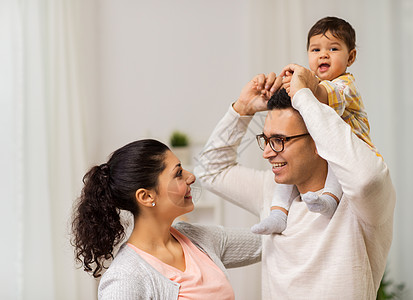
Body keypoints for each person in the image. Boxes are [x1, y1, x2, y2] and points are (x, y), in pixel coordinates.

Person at [194, 66, 395, 299]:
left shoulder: (360, 201)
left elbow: (366, 180)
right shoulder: (271, 190)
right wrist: (243, 109)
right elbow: (210, 170)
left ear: (319, 140)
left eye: (279, 140)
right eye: (266, 140)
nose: (267, 153)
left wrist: (303, 97)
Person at [71, 139, 261, 300]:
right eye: (178, 174)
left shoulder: (198, 238)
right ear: (146, 197)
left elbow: (268, 241)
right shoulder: (125, 278)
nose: (191, 177)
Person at [252, 16, 377, 235]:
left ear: (351, 56)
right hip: (325, 149)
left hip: (350, 152)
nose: (323, 55)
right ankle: (279, 214)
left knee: (336, 166)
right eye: (315, 50)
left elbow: (324, 95)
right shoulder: (313, 85)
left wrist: (303, 86)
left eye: (334, 48)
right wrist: (280, 86)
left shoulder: (345, 85)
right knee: (286, 165)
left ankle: (329, 199)